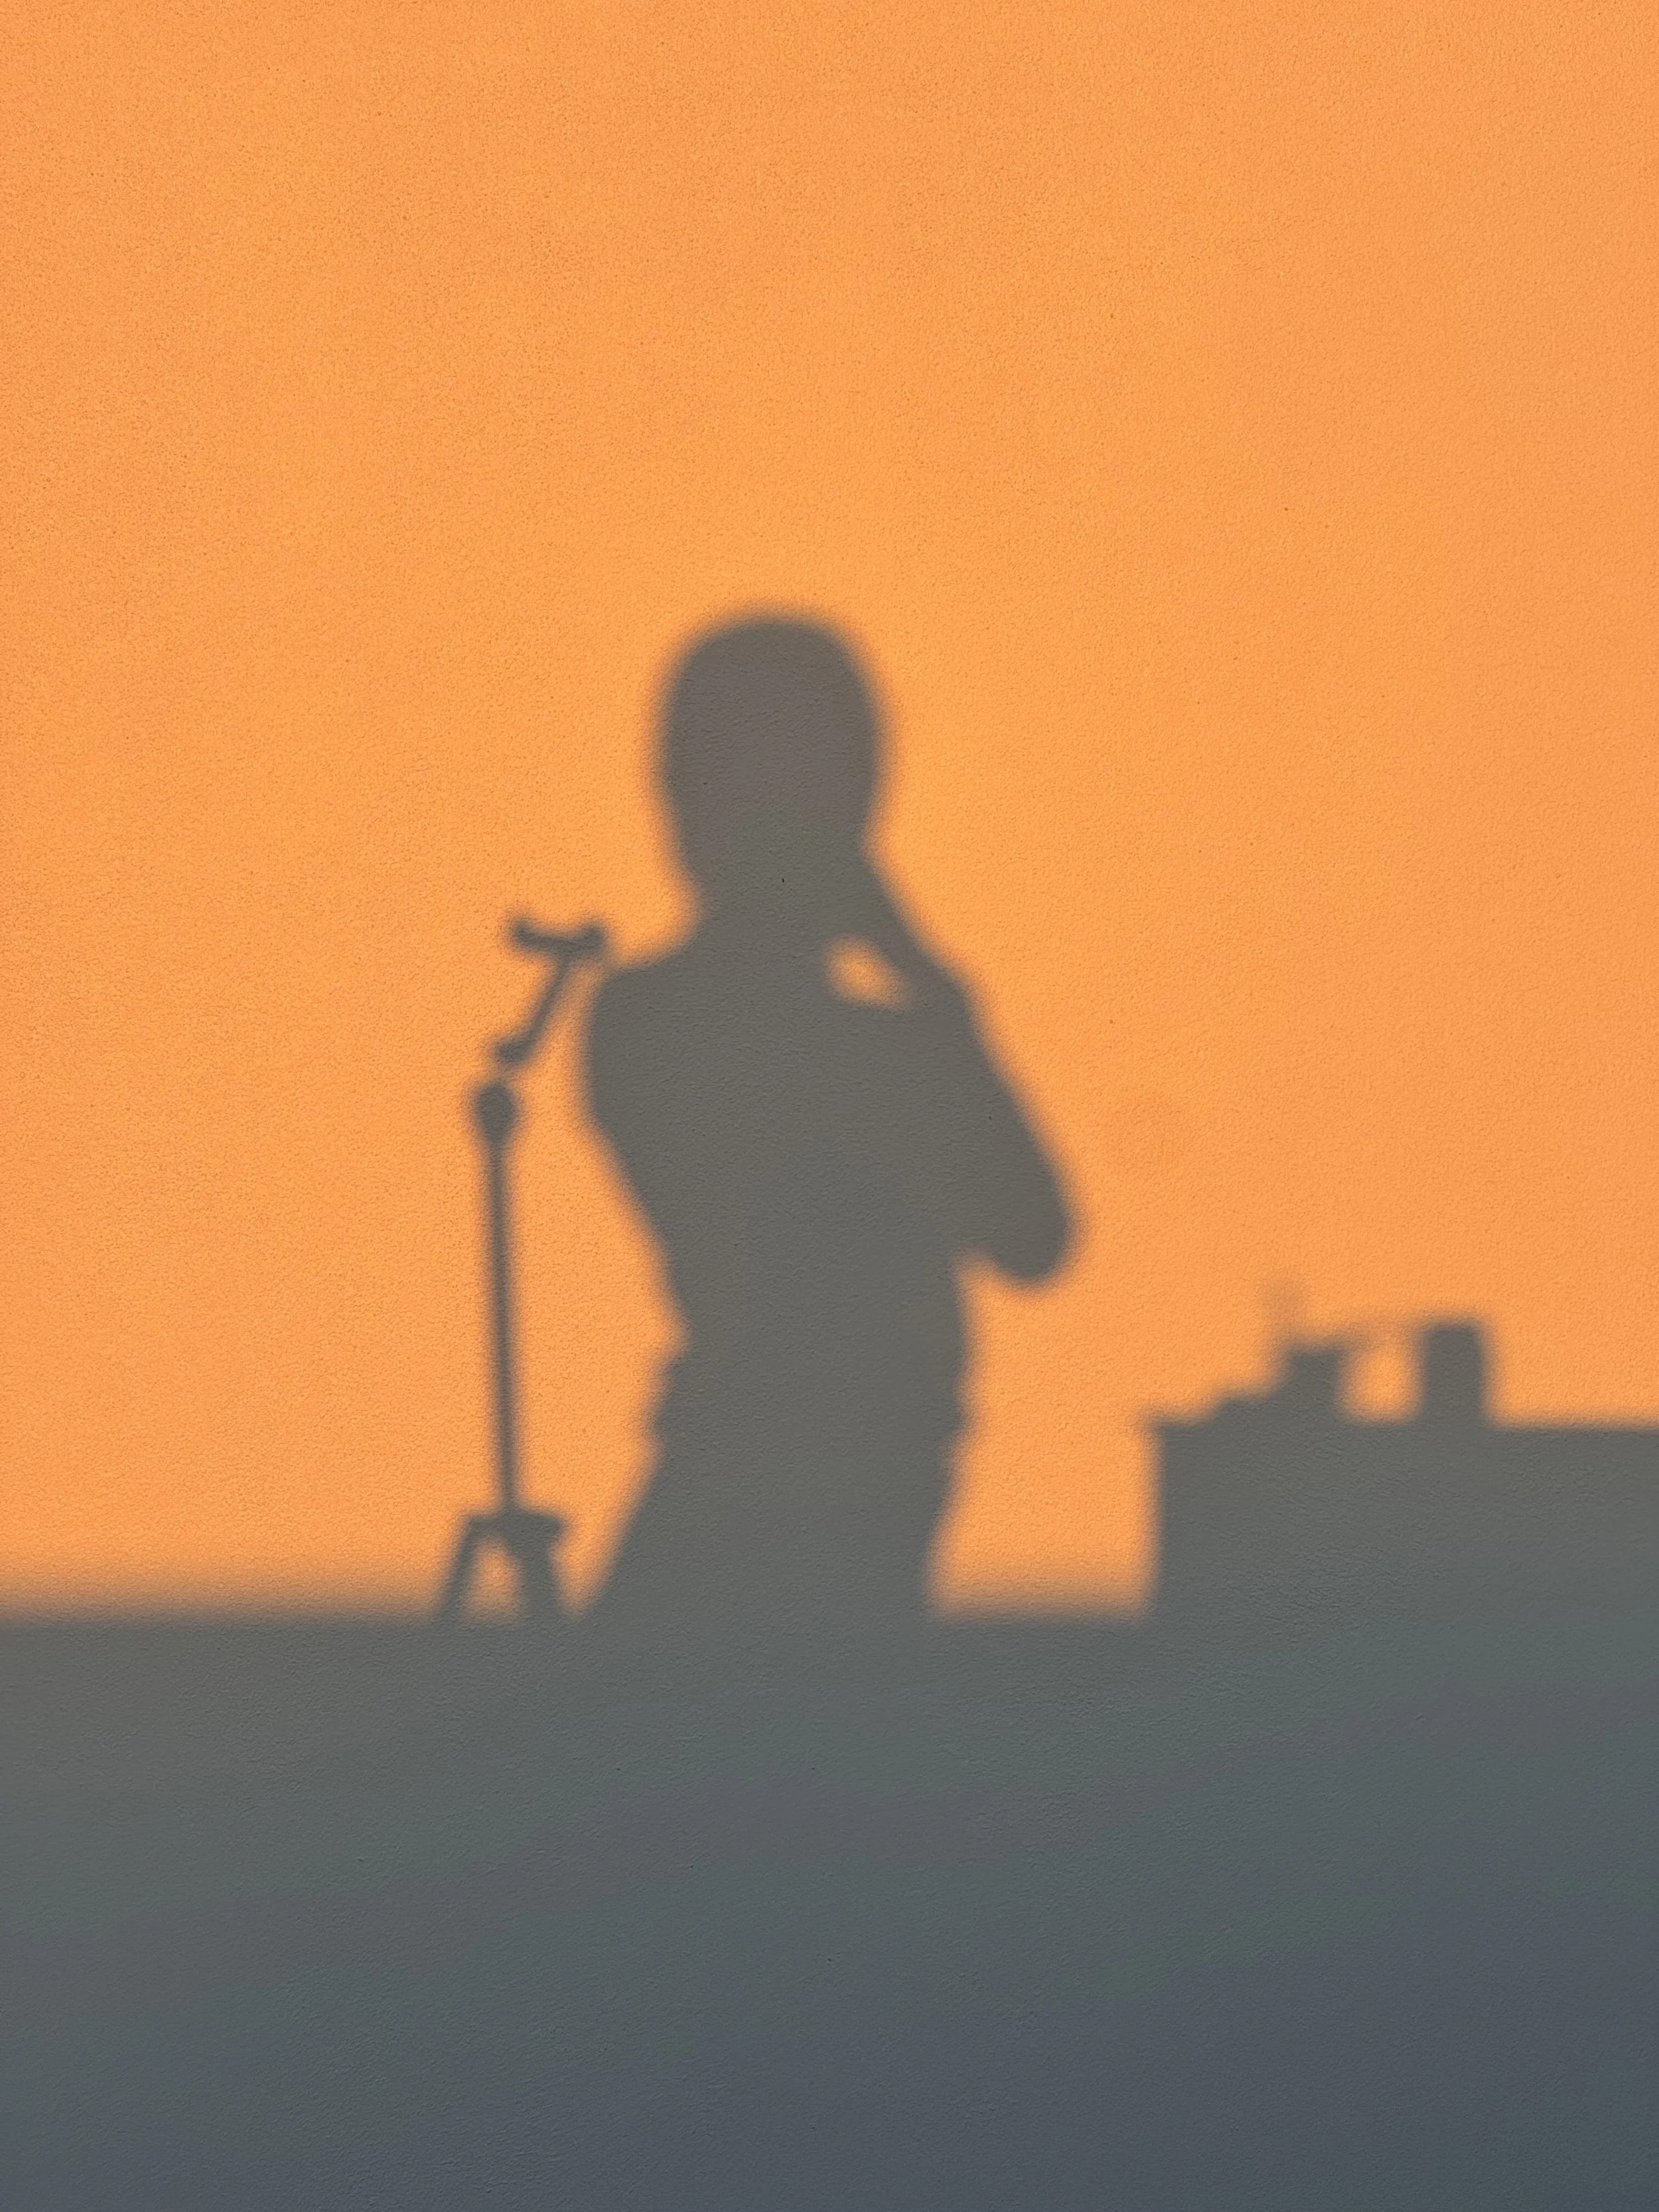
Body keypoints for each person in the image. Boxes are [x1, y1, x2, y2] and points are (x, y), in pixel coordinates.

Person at [585, 616, 1072, 1643]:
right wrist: (922, 982)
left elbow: (1037, 1236)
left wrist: (929, 987)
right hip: (757, 1526)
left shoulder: (876, 1045)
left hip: (839, 1534)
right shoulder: (658, 1021)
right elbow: (1023, 1231)